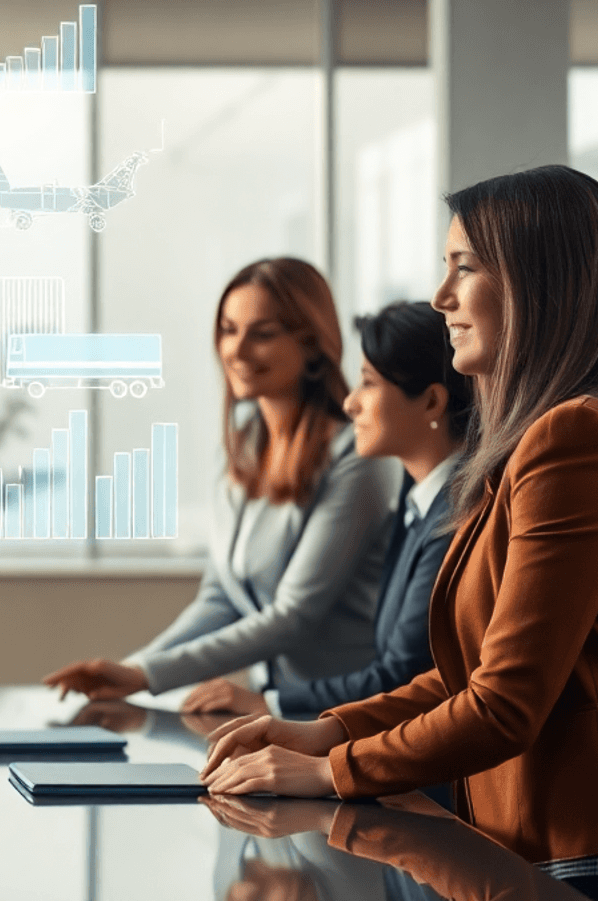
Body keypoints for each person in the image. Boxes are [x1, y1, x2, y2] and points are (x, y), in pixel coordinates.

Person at [203, 165, 598, 887]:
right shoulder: (547, 436)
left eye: (464, 267)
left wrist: (328, 771)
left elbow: (502, 703)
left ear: (544, 283)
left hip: (595, 861)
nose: (441, 297)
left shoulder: (579, 437)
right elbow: (462, 675)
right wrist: (327, 729)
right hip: (546, 850)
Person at [46, 258, 399, 705]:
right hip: (273, 710)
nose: (236, 349)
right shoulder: (240, 449)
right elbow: (220, 598)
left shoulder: (357, 457)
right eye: (229, 330)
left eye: (263, 333)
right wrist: (136, 669)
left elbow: (293, 615)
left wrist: (146, 676)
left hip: (346, 714)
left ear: (312, 344)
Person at [183, 301, 472, 721]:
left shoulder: (453, 514)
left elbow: (403, 675)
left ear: (431, 403)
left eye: (369, 383)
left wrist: (270, 702)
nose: (352, 403)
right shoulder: (419, 503)